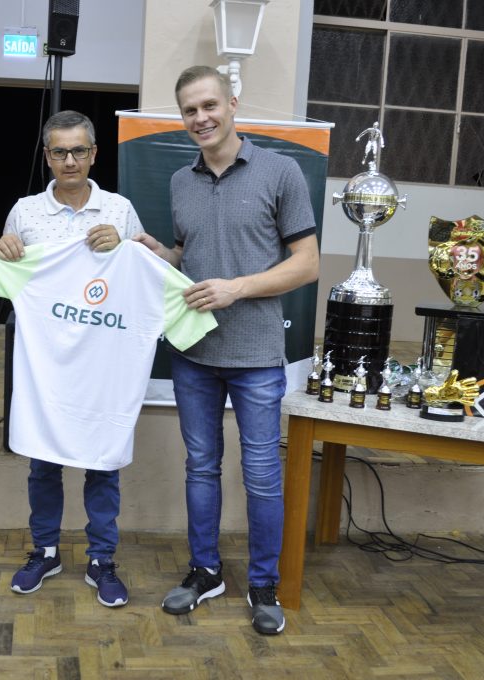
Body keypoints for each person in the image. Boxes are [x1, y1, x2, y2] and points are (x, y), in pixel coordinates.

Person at [134, 66, 320, 635]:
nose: (201, 118)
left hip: (257, 355)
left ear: (232, 103)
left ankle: (264, 585)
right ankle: (206, 571)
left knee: (261, 475)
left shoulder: (281, 171)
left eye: (209, 105)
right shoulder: (180, 181)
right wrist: (157, 253)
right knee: (201, 468)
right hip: (193, 353)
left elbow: (307, 264)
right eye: (190, 110)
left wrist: (236, 288)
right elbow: (187, 255)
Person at [0, 110, 144, 608]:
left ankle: (102, 559)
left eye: (79, 151)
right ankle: (45, 551)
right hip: (46, 367)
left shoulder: (119, 210)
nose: (70, 160)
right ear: (47, 156)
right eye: (60, 152)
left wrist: (126, 243)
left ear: (94, 154)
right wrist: (0, 250)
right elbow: (5, 279)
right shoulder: (24, 212)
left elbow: (146, 269)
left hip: (102, 365)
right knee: (43, 462)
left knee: (103, 464)